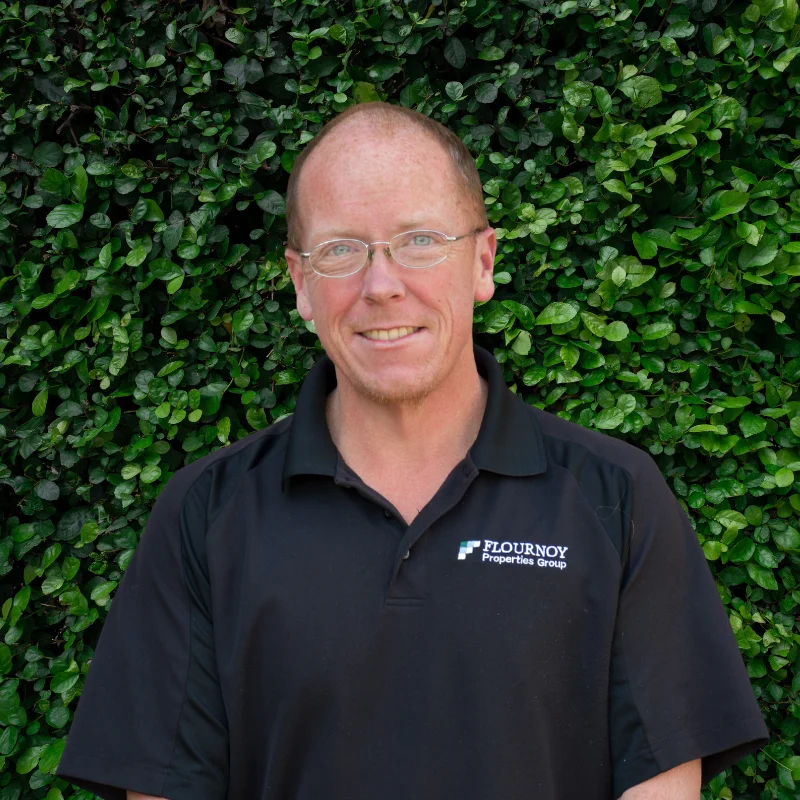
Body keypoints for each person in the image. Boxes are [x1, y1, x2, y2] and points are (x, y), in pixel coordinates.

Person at [56, 102, 769, 800]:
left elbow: (662, 781)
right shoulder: (206, 513)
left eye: (420, 240)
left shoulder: (614, 496)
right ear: (301, 285)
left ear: (483, 261)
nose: (382, 285)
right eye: (341, 250)